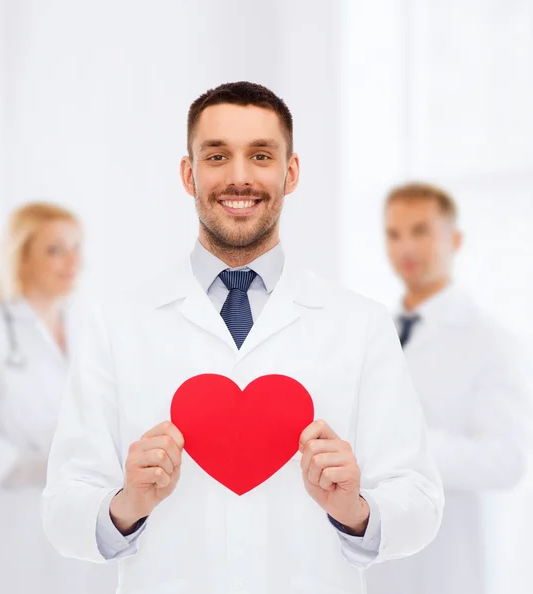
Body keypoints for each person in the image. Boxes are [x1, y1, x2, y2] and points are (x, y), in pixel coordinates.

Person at [42, 82, 444, 594]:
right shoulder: (117, 324)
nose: (238, 177)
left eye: (260, 155)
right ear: (189, 174)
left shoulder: (359, 323)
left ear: (289, 172)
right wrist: (127, 504)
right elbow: (62, 509)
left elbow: (421, 501)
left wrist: (355, 511)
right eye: (216, 156)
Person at [0, 202, 117, 594]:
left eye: (76, 247)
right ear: (21, 258)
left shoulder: (83, 324)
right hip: (12, 519)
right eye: (55, 250)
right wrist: (32, 468)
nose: (73, 261)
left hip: (78, 512)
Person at [366, 182, 529, 594]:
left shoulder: (491, 340)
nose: (406, 247)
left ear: (454, 240)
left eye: (421, 231)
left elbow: (505, 460)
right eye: (394, 233)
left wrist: (404, 446)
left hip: (449, 566)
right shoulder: (372, 331)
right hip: (376, 555)